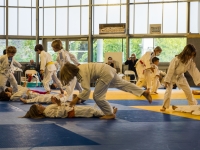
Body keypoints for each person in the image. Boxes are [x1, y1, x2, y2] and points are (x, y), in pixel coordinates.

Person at [60, 62, 152, 120]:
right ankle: (143, 92)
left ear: (70, 73)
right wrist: (79, 99)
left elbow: (87, 90)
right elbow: (85, 90)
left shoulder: (80, 74)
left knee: (97, 97)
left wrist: (74, 101)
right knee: (122, 84)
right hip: (108, 69)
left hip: (104, 73)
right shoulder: (80, 68)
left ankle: (109, 113)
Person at [160, 44, 200, 111]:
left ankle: (193, 105)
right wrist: (167, 81)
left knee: (188, 91)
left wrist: (198, 81)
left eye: (192, 55)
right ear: (186, 53)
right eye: (190, 55)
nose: (191, 57)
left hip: (181, 76)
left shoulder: (190, 61)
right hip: (172, 76)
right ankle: (164, 106)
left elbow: (194, 71)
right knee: (168, 91)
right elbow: (170, 70)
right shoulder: (176, 59)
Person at [22, 96, 117, 119]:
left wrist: (55, 102)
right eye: (39, 106)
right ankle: (108, 114)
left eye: (39, 104)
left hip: (71, 109)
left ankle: (108, 112)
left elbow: (58, 108)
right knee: (90, 110)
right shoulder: (47, 113)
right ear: (39, 112)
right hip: (72, 112)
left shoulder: (47, 109)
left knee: (90, 109)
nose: (40, 105)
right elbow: (59, 114)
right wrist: (59, 105)